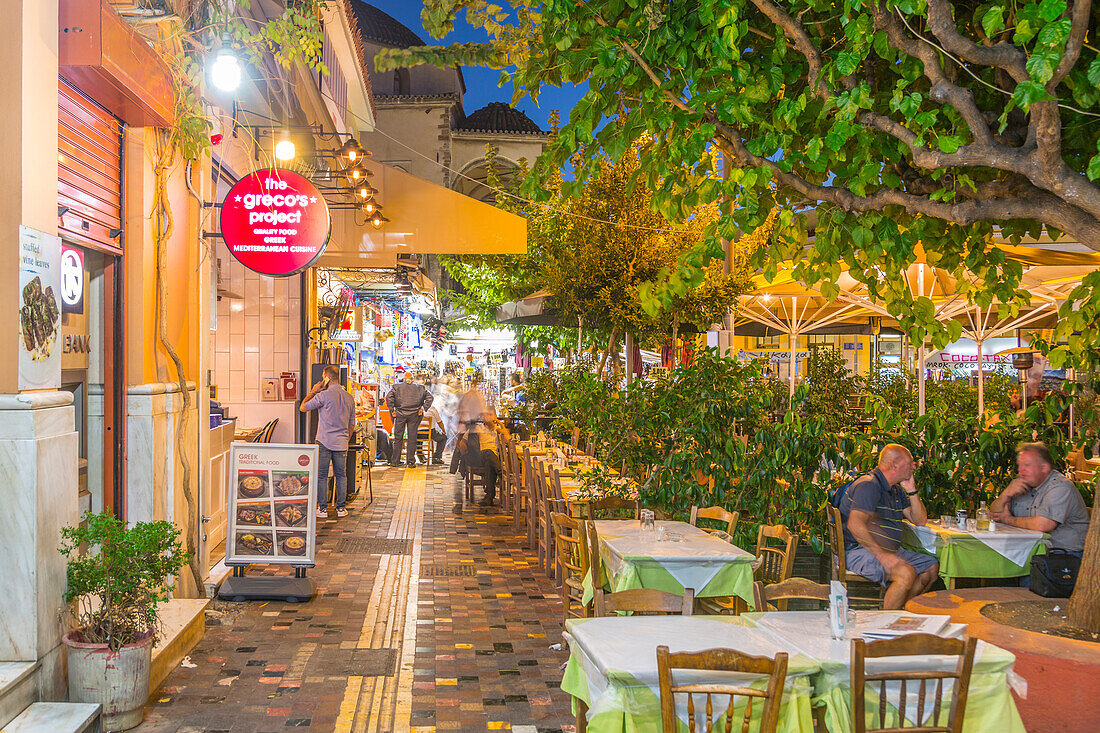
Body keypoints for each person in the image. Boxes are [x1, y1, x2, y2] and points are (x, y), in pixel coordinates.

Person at [839, 444, 939, 609]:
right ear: (894, 466)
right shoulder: (869, 485)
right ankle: (886, 626)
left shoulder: (895, 490)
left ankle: (897, 612)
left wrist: (912, 490)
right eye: (910, 462)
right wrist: (882, 556)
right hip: (858, 550)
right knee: (906, 573)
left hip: (889, 550)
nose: (914, 466)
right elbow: (854, 524)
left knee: (930, 568)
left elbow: (919, 520)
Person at [990, 442, 1089, 555]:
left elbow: (1043, 525)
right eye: (1020, 465)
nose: (1021, 470)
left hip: (1064, 556)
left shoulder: (1060, 487)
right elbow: (994, 513)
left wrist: (1007, 519)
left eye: (1027, 465)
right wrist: (1005, 494)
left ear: (1044, 467)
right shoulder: (1019, 484)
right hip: (1029, 551)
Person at [300, 366, 356, 519]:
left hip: (324, 441)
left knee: (322, 475)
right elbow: (352, 423)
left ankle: (322, 509)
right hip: (342, 442)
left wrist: (313, 391)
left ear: (326, 378)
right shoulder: (349, 397)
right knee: (341, 476)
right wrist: (346, 437)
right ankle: (340, 508)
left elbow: (303, 407)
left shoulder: (323, 395)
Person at [386, 370, 434, 467]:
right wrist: (423, 408)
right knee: (412, 438)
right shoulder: (420, 388)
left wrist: (392, 409)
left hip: (400, 414)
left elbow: (389, 397)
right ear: (412, 379)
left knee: (398, 438)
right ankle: (411, 461)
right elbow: (430, 397)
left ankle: (395, 461)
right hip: (414, 415)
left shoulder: (396, 387)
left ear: (404, 379)